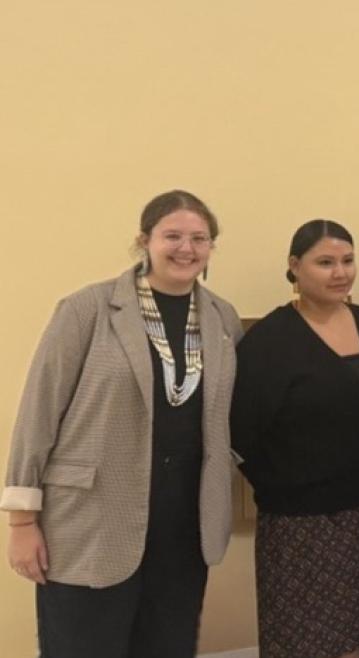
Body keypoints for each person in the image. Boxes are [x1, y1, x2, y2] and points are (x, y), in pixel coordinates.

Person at [2, 190, 242, 657]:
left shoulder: (221, 319)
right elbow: (38, 411)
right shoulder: (87, 309)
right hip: (91, 520)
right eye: (173, 236)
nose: (186, 248)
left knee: (168, 646)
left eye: (199, 238)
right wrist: (22, 520)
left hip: (183, 523)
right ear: (144, 240)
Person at [231, 219, 359, 658]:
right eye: (325, 262)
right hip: (302, 519)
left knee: (355, 629)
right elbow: (242, 433)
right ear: (295, 266)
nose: (340, 272)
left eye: (348, 260)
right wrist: (284, 488)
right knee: (309, 637)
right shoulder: (269, 340)